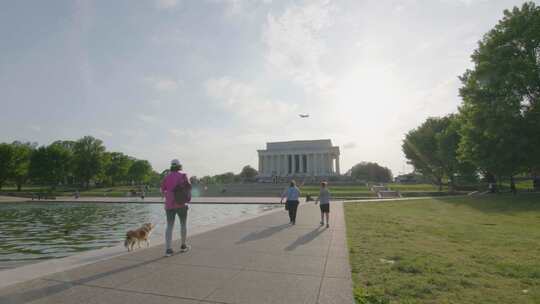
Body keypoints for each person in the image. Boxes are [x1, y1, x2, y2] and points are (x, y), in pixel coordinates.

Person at [161, 159, 192, 257]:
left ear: (171, 166)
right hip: (181, 203)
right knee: (183, 224)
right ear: (179, 166)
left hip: (169, 204)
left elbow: (163, 190)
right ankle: (183, 246)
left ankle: (168, 249)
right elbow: (189, 188)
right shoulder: (183, 176)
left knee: (169, 226)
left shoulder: (166, 177)